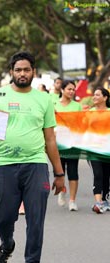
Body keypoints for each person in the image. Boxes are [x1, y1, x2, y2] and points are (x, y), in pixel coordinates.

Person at [0, 51, 64, 263]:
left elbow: (50, 140)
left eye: (27, 69)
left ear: (34, 71)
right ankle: (7, 244)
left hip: (36, 166)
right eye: (18, 70)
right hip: (5, 166)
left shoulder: (43, 100)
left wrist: (59, 173)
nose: (22, 73)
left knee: (36, 219)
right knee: (2, 218)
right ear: (12, 72)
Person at [54, 80, 82, 211]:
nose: (71, 92)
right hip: (57, 144)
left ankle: (72, 200)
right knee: (60, 171)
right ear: (62, 90)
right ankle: (61, 191)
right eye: (69, 89)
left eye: (73, 89)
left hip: (72, 143)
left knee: (73, 171)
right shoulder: (54, 105)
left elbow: (82, 124)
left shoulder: (77, 106)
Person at [88, 87, 110, 214]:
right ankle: (98, 202)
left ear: (105, 97)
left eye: (97, 95)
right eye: (94, 95)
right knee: (98, 174)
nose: (94, 97)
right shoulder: (90, 112)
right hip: (93, 149)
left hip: (107, 150)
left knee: (107, 175)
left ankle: (105, 200)